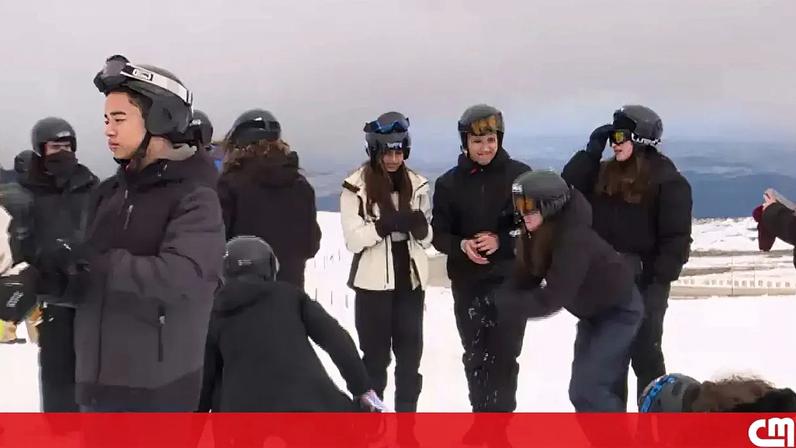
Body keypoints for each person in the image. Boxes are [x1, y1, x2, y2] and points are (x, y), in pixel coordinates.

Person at [50, 54, 225, 412]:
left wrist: (99, 264)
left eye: (119, 119)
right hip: (98, 391)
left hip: (157, 396)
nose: (107, 130)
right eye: (105, 119)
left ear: (159, 119)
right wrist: (44, 283)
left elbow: (184, 278)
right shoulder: (109, 194)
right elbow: (90, 279)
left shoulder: (196, 197)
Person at [561, 105, 692, 404]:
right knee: (607, 363)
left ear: (641, 139)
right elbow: (565, 192)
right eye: (611, 136)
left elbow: (676, 240)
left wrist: (655, 281)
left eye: (620, 135)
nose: (614, 143)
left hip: (644, 284)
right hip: (604, 283)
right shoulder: (602, 174)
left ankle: (656, 427)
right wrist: (589, 154)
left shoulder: (668, 182)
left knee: (645, 358)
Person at [494, 170, 643, 412]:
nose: (522, 212)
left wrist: (507, 306)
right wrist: (498, 298)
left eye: (529, 205)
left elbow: (552, 298)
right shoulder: (540, 232)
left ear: (550, 206)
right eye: (518, 204)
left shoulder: (573, 240)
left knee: (589, 389)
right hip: (593, 315)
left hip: (619, 313)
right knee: (581, 393)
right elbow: (526, 275)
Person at [198, 235, 384, 413]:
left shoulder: (215, 313)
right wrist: (362, 388)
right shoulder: (290, 297)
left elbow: (203, 381)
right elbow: (336, 339)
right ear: (270, 267)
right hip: (310, 406)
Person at [431, 104, 530, 412]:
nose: (485, 147)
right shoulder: (448, 183)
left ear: (499, 139)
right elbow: (439, 234)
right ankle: (481, 421)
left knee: (504, 356)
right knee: (475, 356)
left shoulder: (521, 177)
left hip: (510, 281)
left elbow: (532, 229)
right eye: (477, 141)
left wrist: (501, 241)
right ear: (465, 143)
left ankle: (501, 425)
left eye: (490, 139)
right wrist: (462, 246)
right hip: (467, 284)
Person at [340, 111, 431, 416]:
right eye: (387, 152)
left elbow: (428, 237)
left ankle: (407, 428)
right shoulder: (355, 187)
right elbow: (353, 240)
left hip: (410, 283)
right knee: (375, 362)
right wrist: (382, 227)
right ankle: (370, 427)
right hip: (372, 286)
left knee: (409, 362)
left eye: (398, 151)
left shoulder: (418, 184)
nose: (393, 159)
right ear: (374, 151)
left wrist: (421, 229)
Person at [17, 116, 98, 412]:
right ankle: (59, 429)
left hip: (88, 291)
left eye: (66, 145)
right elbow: (20, 241)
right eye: (55, 146)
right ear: (41, 150)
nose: (62, 152)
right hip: (50, 292)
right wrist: (44, 257)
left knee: (92, 366)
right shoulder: (29, 192)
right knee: (56, 366)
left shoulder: (90, 185)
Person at [218, 109, 321, 289]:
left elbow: (215, 246)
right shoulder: (301, 185)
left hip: (240, 297)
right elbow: (311, 245)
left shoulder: (230, 185)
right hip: (290, 296)